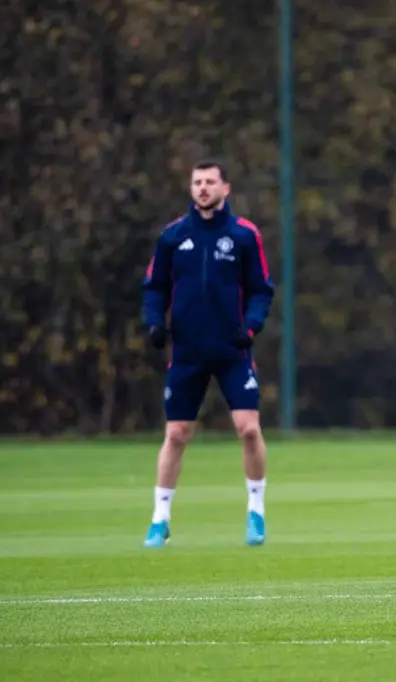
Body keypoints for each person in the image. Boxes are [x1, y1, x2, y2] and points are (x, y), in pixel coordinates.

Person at [141, 159, 275, 548]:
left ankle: (256, 511)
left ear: (225, 188)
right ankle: (160, 519)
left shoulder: (243, 235)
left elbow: (261, 288)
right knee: (177, 433)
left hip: (233, 349)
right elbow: (154, 286)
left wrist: (250, 326)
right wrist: (154, 322)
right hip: (187, 351)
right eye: (197, 182)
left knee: (248, 428)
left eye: (210, 182)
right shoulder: (173, 236)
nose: (203, 188)